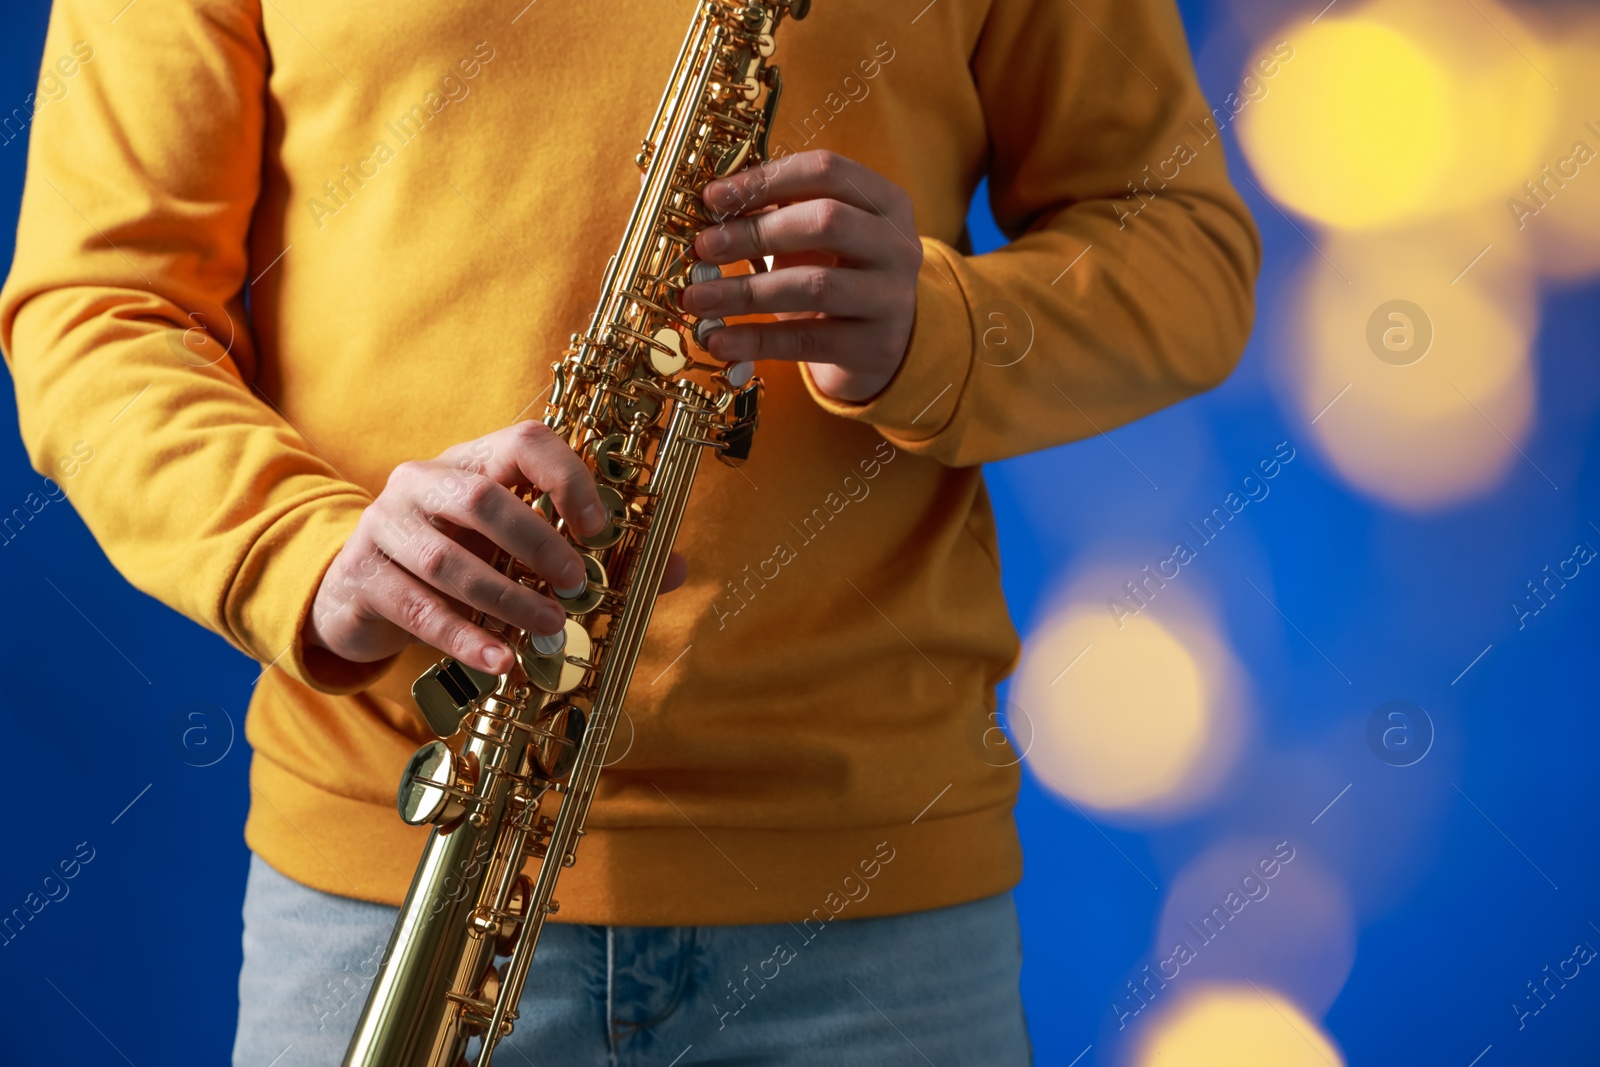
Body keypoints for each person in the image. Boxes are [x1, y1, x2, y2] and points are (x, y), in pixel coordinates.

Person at [0, 0, 1258, 1063]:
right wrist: (299, 545)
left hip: (871, 917)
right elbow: (102, 302)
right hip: (386, 867)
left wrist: (940, 326)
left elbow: (1184, 250)